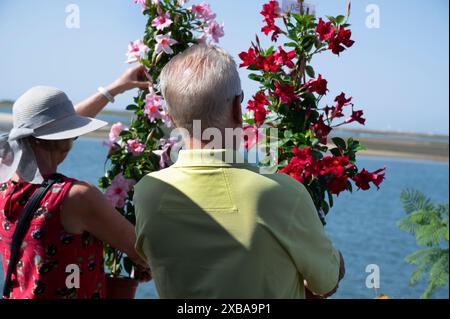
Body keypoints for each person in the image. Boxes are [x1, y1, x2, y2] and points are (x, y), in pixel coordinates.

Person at [133, 45, 345, 299]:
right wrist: (335, 262)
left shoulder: (148, 193)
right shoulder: (283, 194)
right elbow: (326, 283)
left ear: (170, 115)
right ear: (237, 107)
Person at [0, 65, 151, 299]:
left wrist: (116, 88)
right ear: (64, 138)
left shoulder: (5, 184)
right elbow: (144, 250)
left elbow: (44, 130)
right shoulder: (75, 197)